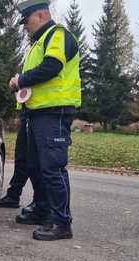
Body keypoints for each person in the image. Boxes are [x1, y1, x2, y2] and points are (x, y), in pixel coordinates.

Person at [9, 0, 82, 241]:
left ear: (41, 15)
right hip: (37, 112)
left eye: (26, 21)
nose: (24, 27)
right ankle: (42, 210)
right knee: (35, 166)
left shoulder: (57, 34)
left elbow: (51, 67)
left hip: (54, 112)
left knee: (52, 168)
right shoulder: (38, 43)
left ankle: (61, 222)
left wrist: (21, 79)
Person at [0, 108, 37, 215]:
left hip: (40, 112)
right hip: (28, 112)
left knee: (35, 160)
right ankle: (13, 195)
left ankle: (39, 203)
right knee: (21, 158)